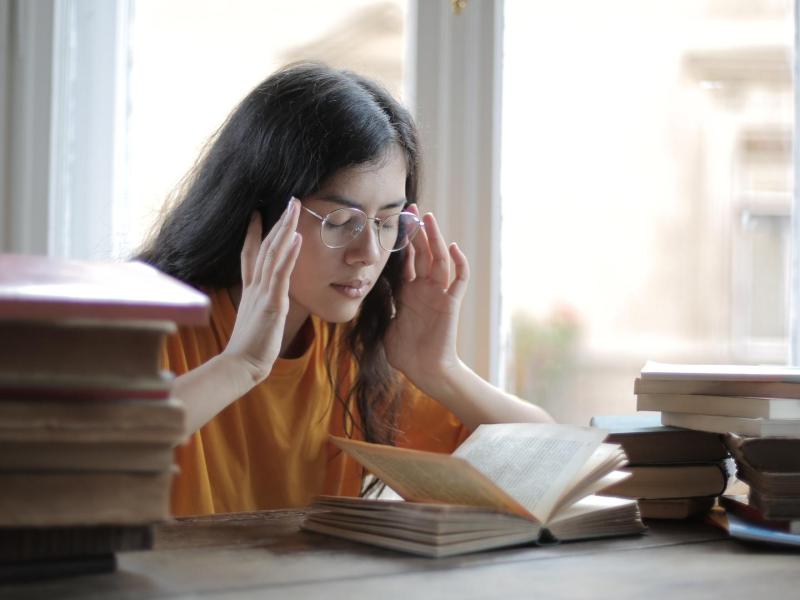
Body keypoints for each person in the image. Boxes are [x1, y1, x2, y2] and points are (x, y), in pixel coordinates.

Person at [138, 62, 553, 516]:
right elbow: (79, 455)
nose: (369, 252)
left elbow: (546, 463)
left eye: (388, 222)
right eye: (340, 222)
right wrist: (242, 364)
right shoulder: (149, 325)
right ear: (258, 212)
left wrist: (439, 368)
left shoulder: (350, 346)